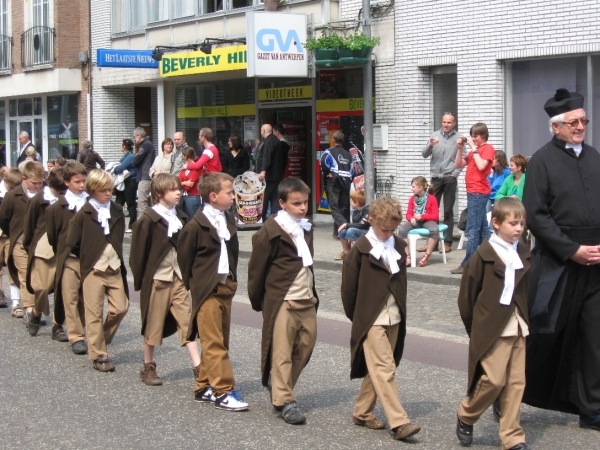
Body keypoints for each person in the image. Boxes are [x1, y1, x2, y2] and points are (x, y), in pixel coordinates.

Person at [522, 88, 600, 430]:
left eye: (584, 120)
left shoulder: (596, 157)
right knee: (544, 333)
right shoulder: (541, 161)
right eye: (573, 122)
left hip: (596, 262)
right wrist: (572, 250)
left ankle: (591, 407)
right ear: (556, 127)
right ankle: (506, 392)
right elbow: (536, 215)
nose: (580, 126)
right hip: (558, 262)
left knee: (594, 337)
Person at [341, 196, 421, 441]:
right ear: (372, 220)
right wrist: (360, 317)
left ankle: (363, 412)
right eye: (384, 229)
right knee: (385, 368)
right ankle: (399, 422)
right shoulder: (360, 250)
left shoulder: (397, 244)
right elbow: (348, 290)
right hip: (371, 318)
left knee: (381, 367)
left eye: (392, 229)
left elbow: (400, 281)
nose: (388, 233)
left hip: (395, 315)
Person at [456, 198, 531, 450]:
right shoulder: (483, 255)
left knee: (516, 382)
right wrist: (474, 328)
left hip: (517, 324)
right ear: (496, 223)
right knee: (494, 380)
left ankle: (512, 437)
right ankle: (467, 414)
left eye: (521, 223)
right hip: (492, 328)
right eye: (513, 223)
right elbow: (467, 297)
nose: (519, 228)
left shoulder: (522, 251)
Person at [248, 177, 318, 425]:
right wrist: (261, 303)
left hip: (307, 298)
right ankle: (285, 400)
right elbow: (256, 271)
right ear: (282, 203)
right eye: (296, 203)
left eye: (305, 202)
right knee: (282, 352)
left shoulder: (305, 226)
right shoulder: (270, 231)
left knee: (305, 347)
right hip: (283, 300)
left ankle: (279, 386)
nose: (302, 208)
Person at [177, 172, 249, 411]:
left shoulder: (227, 219)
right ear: (213, 196)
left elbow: (233, 253)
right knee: (213, 341)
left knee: (220, 340)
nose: (233, 196)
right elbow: (185, 260)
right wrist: (197, 286)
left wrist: (232, 279)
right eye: (229, 192)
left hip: (225, 285)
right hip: (206, 289)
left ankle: (203, 385)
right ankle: (223, 390)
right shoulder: (195, 226)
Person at [130, 173, 200, 386]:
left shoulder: (181, 217)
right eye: (172, 190)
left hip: (178, 277)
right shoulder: (148, 220)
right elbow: (137, 254)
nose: (178, 192)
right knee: (153, 322)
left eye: (178, 188)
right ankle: (148, 365)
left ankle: (199, 367)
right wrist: (142, 280)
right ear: (159, 194)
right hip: (157, 279)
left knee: (187, 321)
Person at [66, 169, 129, 372]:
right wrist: (89, 255)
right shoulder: (83, 213)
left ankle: (99, 338)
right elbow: (72, 242)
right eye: (103, 191)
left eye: (110, 190)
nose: (108, 194)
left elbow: (118, 237)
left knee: (121, 308)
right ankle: (99, 354)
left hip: (114, 267)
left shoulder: (117, 210)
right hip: (93, 269)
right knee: (93, 312)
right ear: (92, 191)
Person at [46, 161, 89, 355]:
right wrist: (62, 253)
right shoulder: (56, 208)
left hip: (88, 257)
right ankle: (77, 337)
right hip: (69, 257)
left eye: (83, 181)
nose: (81, 185)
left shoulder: (91, 204)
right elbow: (53, 236)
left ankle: (75, 325)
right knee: (70, 296)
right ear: (66, 182)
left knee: (83, 298)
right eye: (77, 182)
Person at [22, 168, 68, 341]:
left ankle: (58, 325)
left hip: (63, 246)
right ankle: (36, 312)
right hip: (43, 247)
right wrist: (30, 247)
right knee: (41, 287)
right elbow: (29, 225)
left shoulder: (69, 200)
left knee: (63, 288)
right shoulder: (38, 200)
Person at [0, 161, 44, 320]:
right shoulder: (13, 196)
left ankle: (37, 308)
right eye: (34, 183)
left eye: (41, 182)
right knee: (26, 275)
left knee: (40, 278)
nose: (38, 186)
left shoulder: (45, 195)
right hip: (19, 241)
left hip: (41, 244)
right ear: (24, 178)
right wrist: (13, 234)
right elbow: (3, 218)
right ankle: (30, 310)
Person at [451, 123, 495, 275]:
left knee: (472, 229)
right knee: (483, 229)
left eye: (475, 136)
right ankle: (489, 259)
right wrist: (460, 148)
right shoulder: (473, 152)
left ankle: (468, 264)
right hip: (473, 192)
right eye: (472, 136)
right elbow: (458, 165)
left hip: (479, 192)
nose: (473, 139)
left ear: (483, 135)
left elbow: (482, 166)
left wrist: (472, 147)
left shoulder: (487, 148)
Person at [422, 112, 462, 253]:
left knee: (448, 211)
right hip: (435, 177)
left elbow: (463, 159)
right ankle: (431, 244)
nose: (446, 125)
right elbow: (424, 154)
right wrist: (430, 146)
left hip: (449, 177)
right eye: (444, 122)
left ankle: (447, 242)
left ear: (454, 123)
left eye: (449, 122)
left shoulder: (458, 138)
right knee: (432, 210)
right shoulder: (435, 135)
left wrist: (455, 174)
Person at [397, 176, 440, 267]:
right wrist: (411, 218)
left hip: (428, 220)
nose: (411, 188)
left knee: (435, 230)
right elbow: (408, 214)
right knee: (402, 230)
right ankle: (407, 256)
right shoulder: (412, 199)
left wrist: (422, 216)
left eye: (413, 186)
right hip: (415, 222)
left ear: (420, 188)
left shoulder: (432, 198)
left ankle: (427, 255)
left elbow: (435, 216)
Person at [321, 130, 353, 238]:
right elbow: (352, 170)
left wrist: (327, 174)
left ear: (333, 140)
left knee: (334, 207)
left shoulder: (329, 152)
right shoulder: (348, 154)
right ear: (343, 141)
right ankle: (337, 233)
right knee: (342, 207)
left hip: (334, 181)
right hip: (346, 182)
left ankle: (345, 226)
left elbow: (323, 162)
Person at [0, 167, 21, 309]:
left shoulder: (17, 194)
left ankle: (16, 302)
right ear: (5, 180)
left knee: (13, 264)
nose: (13, 189)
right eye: (10, 186)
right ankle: (0, 292)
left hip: (9, 233)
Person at [258, 124, 287, 221]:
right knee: (275, 198)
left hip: (269, 176)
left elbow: (267, 158)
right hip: (276, 175)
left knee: (265, 199)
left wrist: (263, 171)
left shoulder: (269, 141)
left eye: (261, 130)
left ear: (264, 131)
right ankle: (274, 219)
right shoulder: (276, 140)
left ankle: (263, 219)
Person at [335, 189, 370, 261]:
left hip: (368, 230)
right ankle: (346, 252)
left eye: (351, 201)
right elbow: (355, 224)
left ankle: (357, 253)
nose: (350, 203)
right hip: (360, 230)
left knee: (351, 231)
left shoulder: (367, 210)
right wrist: (346, 227)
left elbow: (362, 225)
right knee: (343, 231)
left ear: (356, 202)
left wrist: (346, 225)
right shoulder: (355, 212)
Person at [114, 139, 138, 233]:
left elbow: (120, 168)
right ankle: (116, 224)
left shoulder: (130, 156)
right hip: (124, 182)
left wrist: (114, 168)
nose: (120, 146)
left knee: (130, 204)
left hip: (130, 181)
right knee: (118, 204)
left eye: (121, 144)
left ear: (124, 146)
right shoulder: (126, 156)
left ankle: (132, 225)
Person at [132, 127, 156, 217]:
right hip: (147, 176)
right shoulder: (148, 144)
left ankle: (143, 224)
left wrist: (136, 156)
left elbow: (136, 161)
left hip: (145, 176)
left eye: (134, 137)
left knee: (142, 202)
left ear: (139, 136)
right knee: (150, 202)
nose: (134, 139)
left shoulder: (145, 145)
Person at [178, 148, 202, 219]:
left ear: (186, 156)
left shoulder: (196, 168)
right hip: (184, 197)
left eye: (183, 155)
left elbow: (189, 187)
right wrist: (185, 183)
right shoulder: (184, 167)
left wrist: (181, 184)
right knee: (185, 221)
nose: (182, 157)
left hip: (193, 197)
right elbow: (177, 181)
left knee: (194, 220)